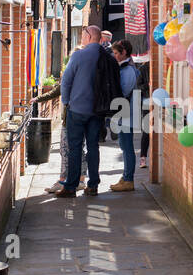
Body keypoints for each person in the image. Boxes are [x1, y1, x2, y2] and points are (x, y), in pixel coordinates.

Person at [55, 25, 104, 197]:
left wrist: (67, 102)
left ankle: (71, 187)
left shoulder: (78, 55)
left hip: (77, 110)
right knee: (93, 147)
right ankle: (93, 185)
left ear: (90, 37)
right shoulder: (107, 57)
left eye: (83, 35)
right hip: (97, 111)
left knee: (75, 148)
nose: (81, 39)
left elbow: (66, 82)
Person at [109, 41, 143, 191]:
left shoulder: (128, 70)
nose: (114, 56)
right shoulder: (125, 68)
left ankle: (128, 179)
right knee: (124, 145)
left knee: (127, 147)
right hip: (125, 113)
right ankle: (125, 177)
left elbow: (123, 93)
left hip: (127, 113)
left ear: (124, 53)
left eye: (116, 53)